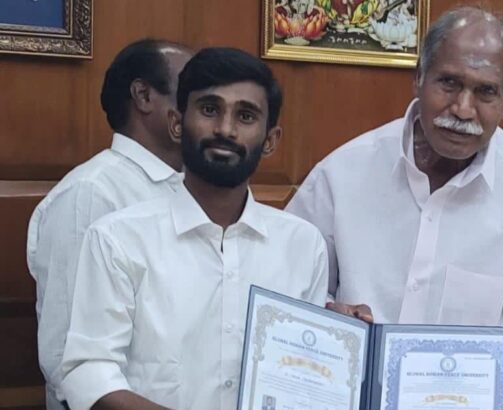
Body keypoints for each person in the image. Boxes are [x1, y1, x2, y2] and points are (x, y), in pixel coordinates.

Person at [286, 6, 503, 410]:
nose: (463, 109)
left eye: (486, 92)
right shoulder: (343, 173)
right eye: (449, 83)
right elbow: (287, 282)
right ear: (419, 78)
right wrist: (328, 314)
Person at [60, 47, 328, 410]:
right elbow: (89, 372)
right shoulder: (118, 240)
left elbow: (308, 375)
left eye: (246, 116)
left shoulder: (302, 245)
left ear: (270, 140)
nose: (226, 130)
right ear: (176, 123)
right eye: (209, 109)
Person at [26, 39, 193, 410]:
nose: (207, 111)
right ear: (144, 96)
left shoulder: (192, 190)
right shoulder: (92, 194)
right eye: (193, 92)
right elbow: (67, 358)